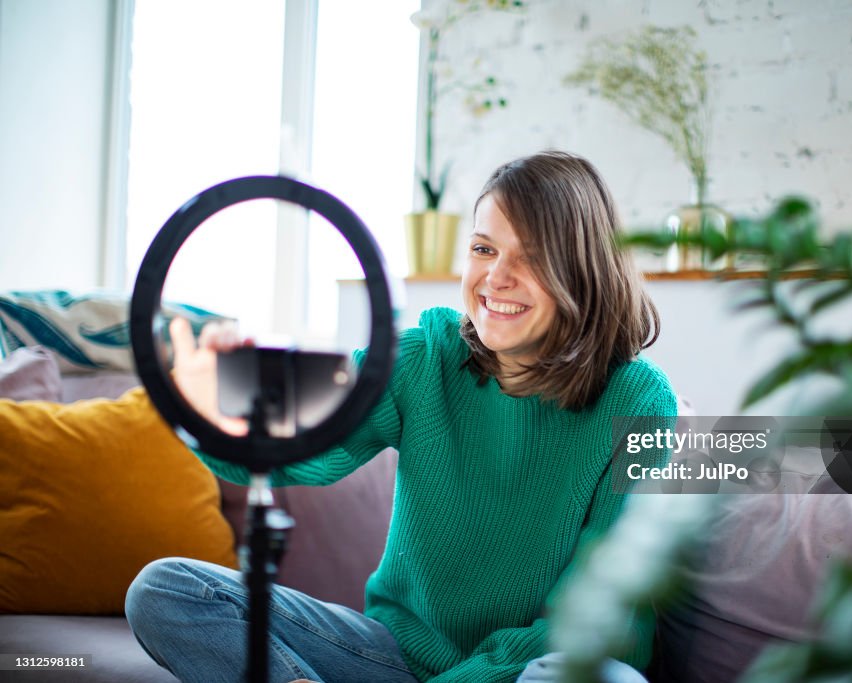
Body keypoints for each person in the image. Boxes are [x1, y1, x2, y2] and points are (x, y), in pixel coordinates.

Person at [126, 150, 678, 683]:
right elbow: (305, 452)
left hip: (526, 672)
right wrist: (214, 417)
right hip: (390, 658)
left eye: (531, 256)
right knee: (166, 589)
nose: (496, 277)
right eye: (484, 250)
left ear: (583, 268)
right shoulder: (426, 357)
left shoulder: (640, 403)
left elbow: (607, 623)